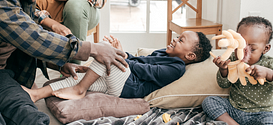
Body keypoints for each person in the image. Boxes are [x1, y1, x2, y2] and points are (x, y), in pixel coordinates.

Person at [23, 31, 212, 102]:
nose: (174, 39)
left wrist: (119, 57)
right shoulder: (164, 52)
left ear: (190, 56)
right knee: (77, 78)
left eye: (181, 40)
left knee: (104, 52)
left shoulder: (176, 68)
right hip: (120, 83)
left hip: (129, 87)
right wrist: (124, 54)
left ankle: (79, 90)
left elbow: (146, 70)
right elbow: (141, 60)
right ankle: (37, 94)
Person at [202, 16, 273, 125]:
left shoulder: (269, 63)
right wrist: (223, 69)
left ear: (266, 48)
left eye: (252, 49)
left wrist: (268, 73)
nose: (244, 53)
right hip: (234, 109)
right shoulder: (233, 59)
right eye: (239, 47)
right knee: (209, 101)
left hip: (262, 113)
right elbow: (223, 84)